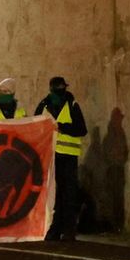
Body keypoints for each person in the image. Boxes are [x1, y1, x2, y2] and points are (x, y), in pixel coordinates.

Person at [35, 76, 87, 241]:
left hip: (68, 156)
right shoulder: (44, 105)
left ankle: (68, 230)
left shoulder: (72, 104)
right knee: (53, 194)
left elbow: (81, 129)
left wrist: (62, 128)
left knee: (68, 193)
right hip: (50, 156)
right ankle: (54, 229)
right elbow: (34, 126)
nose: (61, 91)